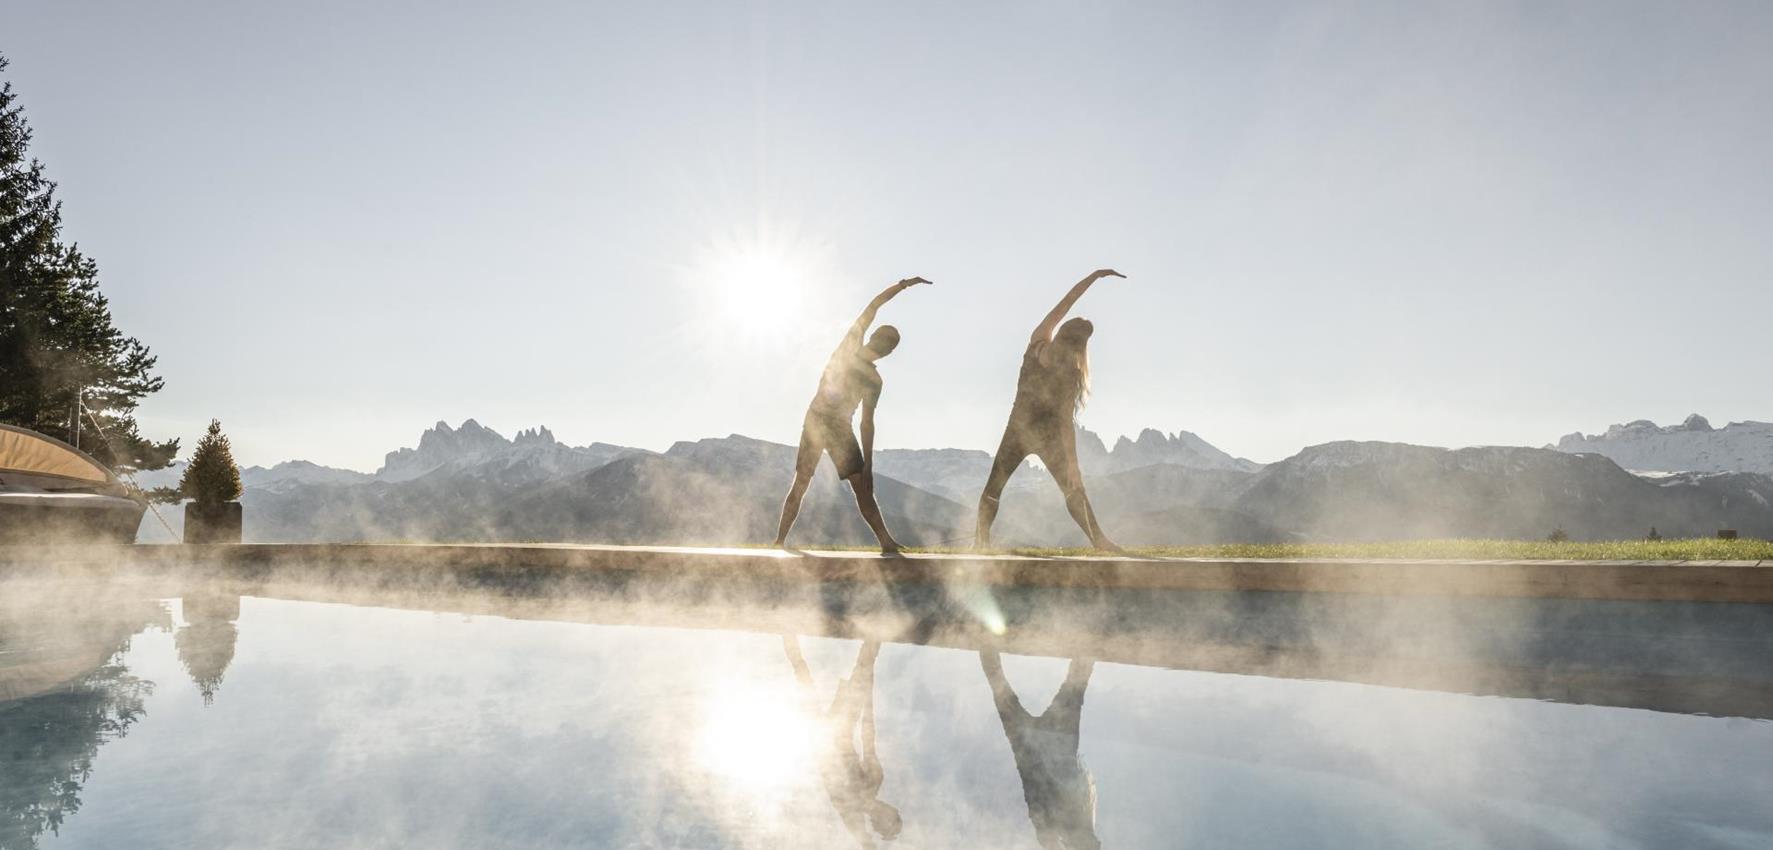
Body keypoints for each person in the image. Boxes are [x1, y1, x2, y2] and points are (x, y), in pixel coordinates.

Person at [775, 276, 931, 553]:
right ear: (877, 341)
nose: (886, 349)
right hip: (817, 420)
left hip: (839, 429)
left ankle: (886, 541)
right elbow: (873, 306)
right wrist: (903, 285)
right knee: (802, 480)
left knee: (860, 486)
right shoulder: (849, 348)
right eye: (887, 343)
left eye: (890, 346)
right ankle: (780, 541)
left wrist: (869, 465)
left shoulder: (874, 380)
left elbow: (867, 423)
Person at [975, 269, 1124, 551]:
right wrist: (1073, 466)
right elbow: (1065, 424)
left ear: (1063, 332)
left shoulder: (1037, 343)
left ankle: (980, 542)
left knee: (993, 489)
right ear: (1082, 345)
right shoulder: (1070, 373)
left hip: (1016, 432)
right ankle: (1099, 541)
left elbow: (1064, 304)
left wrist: (1094, 277)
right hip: (1049, 438)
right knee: (1073, 490)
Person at [784, 636, 903, 848]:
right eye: (891, 811)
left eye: (888, 815)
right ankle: (873, 638)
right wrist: (865, 694)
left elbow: (862, 838)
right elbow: (868, 736)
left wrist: (864, 694)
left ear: (881, 818)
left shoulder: (853, 812)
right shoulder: (874, 782)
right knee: (857, 672)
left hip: (822, 740)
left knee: (804, 679)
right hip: (838, 734)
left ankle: (786, 632)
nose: (887, 809)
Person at [979, 650, 1101, 850]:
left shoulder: (1071, 825)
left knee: (1076, 680)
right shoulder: (1075, 825)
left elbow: (1038, 800)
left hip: (1046, 748)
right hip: (1044, 748)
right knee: (1076, 680)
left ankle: (984, 638)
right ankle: (984, 638)